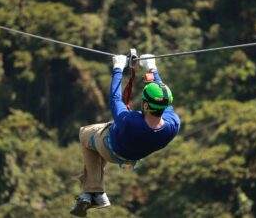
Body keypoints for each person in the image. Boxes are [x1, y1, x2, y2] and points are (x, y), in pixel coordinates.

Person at [70, 54, 181, 217]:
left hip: (110, 147)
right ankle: (93, 193)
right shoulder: (173, 125)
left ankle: (94, 191)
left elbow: (115, 99)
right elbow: (164, 98)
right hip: (131, 156)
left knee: (85, 134)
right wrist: (152, 68)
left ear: (144, 104)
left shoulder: (130, 121)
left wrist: (117, 68)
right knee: (98, 143)